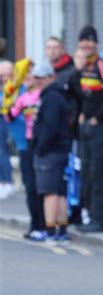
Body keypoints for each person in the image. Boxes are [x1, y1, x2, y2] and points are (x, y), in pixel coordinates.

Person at [73, 25, 103, 233]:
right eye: (83, 41)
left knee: (98, 175)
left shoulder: (101, 66)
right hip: (88, 129)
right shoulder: (85, 68)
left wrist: (94, 120)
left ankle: (101, 219)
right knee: (88, 175)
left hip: (101, 129)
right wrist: (83, 115)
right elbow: (84, 98)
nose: (86, 44)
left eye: (89, 41)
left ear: (95, 43)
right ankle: (92, 216)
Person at [31, 62, 71, 244]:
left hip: (51, 151)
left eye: (41, 78)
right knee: (60, 192)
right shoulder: (54, 95)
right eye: (36, 78)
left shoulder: (51, 98)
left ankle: (50, 230)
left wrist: (40, 147)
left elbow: (50, 126)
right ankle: (61, 230)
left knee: (50, 192)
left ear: (50, 77)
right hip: (59, 149)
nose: (37, 81)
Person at [6, 61, 46, 240]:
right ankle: (35, 224)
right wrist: (9, 99)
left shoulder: (42, 95)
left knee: (42, 187)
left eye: (33, 76)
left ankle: (45, 225)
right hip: (26, 145)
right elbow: (9, 116)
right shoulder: (21, 97)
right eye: (27, 76)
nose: (30, 79)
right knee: (30, 187)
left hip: (41, 144)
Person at [0, 60, 15, 199]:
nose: (4, 78)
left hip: (12, 123)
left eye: (7, 74)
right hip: (2, 122)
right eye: (2, 75)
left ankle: (8, 182)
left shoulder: (15, 87)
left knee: (4, 152)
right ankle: (3, 181)